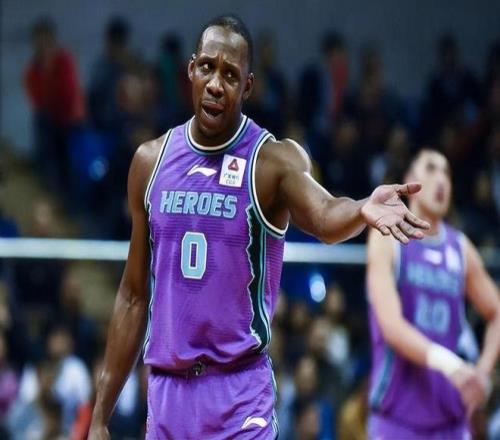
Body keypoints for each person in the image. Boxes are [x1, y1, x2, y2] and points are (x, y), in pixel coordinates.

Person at [89, 15, 429, 439]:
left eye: (230, 75)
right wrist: (100, 415)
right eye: (208, 67)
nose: (216, 84)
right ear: (191, 69)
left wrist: (362, 208)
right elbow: (133, 295)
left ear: (247, 86)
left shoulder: (272, 161)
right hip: (168, 394)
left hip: (239, 394)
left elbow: (325, 216)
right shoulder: (149, 162)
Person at [366, 149, 500, 439]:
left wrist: (483, 371)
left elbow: (496, 313)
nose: (441, 179)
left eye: (447, 173)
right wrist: (451, 365)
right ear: (409, 181)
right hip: (397, 420)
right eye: (430, 169)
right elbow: (391, 327)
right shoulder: (386, 236)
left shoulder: (460, 248)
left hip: (451, 421)